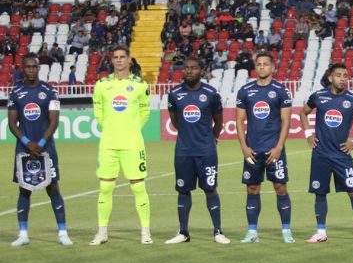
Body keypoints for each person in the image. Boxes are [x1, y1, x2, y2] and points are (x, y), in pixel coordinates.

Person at [300, 63, 353, 243]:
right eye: (339, 75)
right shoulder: (318, 96)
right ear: (330, 78)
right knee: (320, 193)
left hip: (342, 156)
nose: (343, 78)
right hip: (321, 155)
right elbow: (303, 113)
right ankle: (321, 232)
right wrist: (308, 134)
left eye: (346, 75)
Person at [89, 45, 153, 245]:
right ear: (112, 60)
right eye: (115, 57)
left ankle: (145, 231)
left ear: (129, 60)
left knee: (138, 187)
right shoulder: (102, 85)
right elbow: (98, 112)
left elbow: (145, 112)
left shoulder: (141, 85)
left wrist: (131, 129)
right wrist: (110, 128)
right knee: (105, 188)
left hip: (132, 144)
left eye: (122, 57)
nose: (118, 60)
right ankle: (102, 232)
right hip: (108, 144)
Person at [7, 55, 72, 247]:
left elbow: (54, 121)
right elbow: (12, 123)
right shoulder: (16, 92)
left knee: (53, 188)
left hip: (46, 149)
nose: (32, 70)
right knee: (24, 189)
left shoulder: (49, 91)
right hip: (24, 149)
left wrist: (41, 142)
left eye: (35, 67)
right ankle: (23, 234)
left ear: (38, 68)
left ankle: (62, 233)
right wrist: (28, 142)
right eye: (28, 67)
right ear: (23, 69)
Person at [165, 58, 230, 244]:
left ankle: (218, 232)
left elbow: (218, 121)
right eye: (186, 68)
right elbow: (175, 120)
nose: (189, 71)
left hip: (206, 151)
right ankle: (183, 232)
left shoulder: (211, 93)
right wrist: (188, 135)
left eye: (193, 68)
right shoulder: (175, 93)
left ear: (201, 71)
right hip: (183, 151)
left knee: (210, 188)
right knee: (183, 190)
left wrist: (211, 139)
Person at [235, 52, 295, 244]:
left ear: (272, 67)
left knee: (280, 187)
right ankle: (252, 232)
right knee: (252, 189)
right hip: (252, 150)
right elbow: (239, 121)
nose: (261, 67)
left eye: (265, 64)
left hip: (273, 150)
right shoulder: (245, 91)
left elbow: (286, 121)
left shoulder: (281, 91)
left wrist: (279, 147)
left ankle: (286, 230)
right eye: (258, 64)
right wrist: (244, 147)